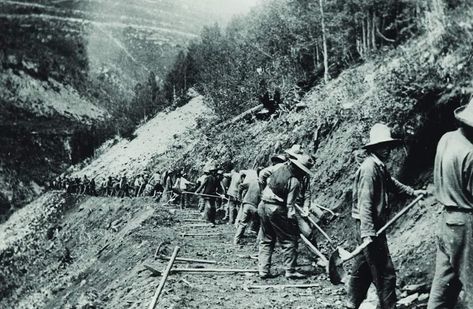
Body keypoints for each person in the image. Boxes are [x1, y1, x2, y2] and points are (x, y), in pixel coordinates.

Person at [346, 123, 425, 309]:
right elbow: (365, 202)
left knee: (364, 267)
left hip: (370, 225)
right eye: (383, 146)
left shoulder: (379, 166)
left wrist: (412, 192)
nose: (387, 149)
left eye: (388, 145)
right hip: (368, 225)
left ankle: (351, 303)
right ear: (374, 148)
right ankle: (389, 306)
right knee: (385, 271)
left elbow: (392, 184)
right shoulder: (369, 169)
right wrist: (368, 232)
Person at [427, 101, 473, 308]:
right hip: (465, 224)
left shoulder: (446, 139)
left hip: (446, 220)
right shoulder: (470, 153)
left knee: (442, 285)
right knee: (471, 283)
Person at [258, 153, 315, 279]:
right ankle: (290, 270)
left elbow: (264, 177)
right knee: (289, 240)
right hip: (276, 209)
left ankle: (263, 270)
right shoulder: (294, 182)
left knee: (267, 238)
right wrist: (292, 223)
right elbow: (290, 207)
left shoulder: (279, 168)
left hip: (262, 205)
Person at [234, 168, 263, 245]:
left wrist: (240, 197)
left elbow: (240, 186)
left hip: (246, 204)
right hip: (254, 206)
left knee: (243, 223)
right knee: (262, 222)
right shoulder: (263, 184)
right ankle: (258, 242)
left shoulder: (252, 182)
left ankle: (236, 240)